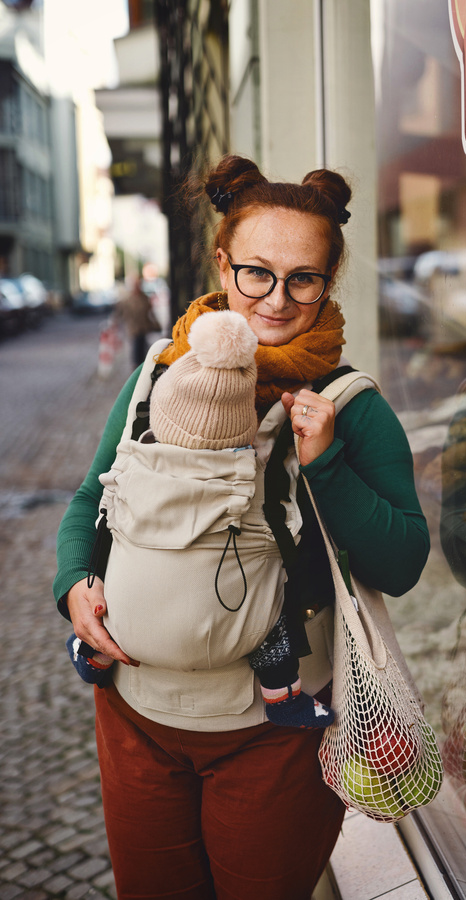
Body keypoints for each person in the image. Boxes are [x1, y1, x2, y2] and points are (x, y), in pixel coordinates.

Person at [54, 154, 430, 900]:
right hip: (135, 714)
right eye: (257, 272)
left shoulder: (351, 404)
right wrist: (72, 585)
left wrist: (326, 466)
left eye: (303, 279)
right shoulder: (159, 370)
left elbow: (403, 562)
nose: (277, 300)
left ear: (328, 283)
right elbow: (88, 500)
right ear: (224, 265)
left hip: (274, 735)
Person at [65, 309, 334, 729]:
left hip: (125, 627)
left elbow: (97, 505)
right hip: (235, 639)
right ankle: (284, 699)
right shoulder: (251, 472)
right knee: (272, 617)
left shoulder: (137, 459)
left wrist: (75, 580)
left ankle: (91, 654)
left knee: (111, 584)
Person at [115, 275, 161, 368]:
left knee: (144, 350)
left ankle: (143, 367)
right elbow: (120, 313)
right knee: (136, 352)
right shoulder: (127, 300)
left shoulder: (144, 298)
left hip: (143, 328)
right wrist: (115, 322)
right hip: (133, 329)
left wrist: (157, 325)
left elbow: (151, 313)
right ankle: (136, 369)